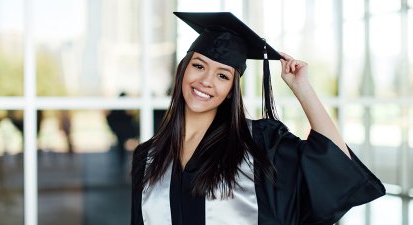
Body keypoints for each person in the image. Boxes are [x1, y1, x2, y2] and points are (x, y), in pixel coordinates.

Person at [131, 12, 385, 225]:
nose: (206, 81)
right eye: (198, 66)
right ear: (182, 71)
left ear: (232, 90)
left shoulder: (259, 142)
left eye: (222, 76)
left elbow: (336, 165)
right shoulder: (148, 156)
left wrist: (302, 89)